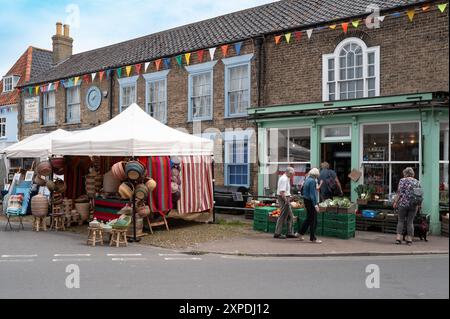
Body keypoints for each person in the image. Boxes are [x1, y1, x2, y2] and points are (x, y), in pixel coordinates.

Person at [393, 167, 422, 245]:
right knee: (410, 222)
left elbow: (399, 193)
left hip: (403, 204)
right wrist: (419, 205)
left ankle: (398, 239)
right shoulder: (417, 182)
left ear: (405, 173)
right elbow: (419, 194)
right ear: (412, 173)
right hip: (413, 204)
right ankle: (409, 240)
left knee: (401, 221)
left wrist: (395, 202)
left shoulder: (402, 181)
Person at [298, 168, 322, 243]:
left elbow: (302, 191)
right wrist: (315, 205)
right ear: (316, 174)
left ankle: (300, 233)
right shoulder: (312, 181)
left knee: (309, 218)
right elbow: (313, 195)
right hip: (311, 202)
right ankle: (313, 238)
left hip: (306, 200)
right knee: (313, 220)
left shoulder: (307, 179)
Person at [274, 167, 297, 239]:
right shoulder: (284, 179)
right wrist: (286, 200)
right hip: (284, 198)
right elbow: (282, 192)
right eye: (292, 174)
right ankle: (277, 233)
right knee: (283, 216)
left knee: (290, 216)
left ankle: (289, 232)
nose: (293, 175)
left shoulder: (285, 178)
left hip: (285, 197)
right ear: (289, 173)